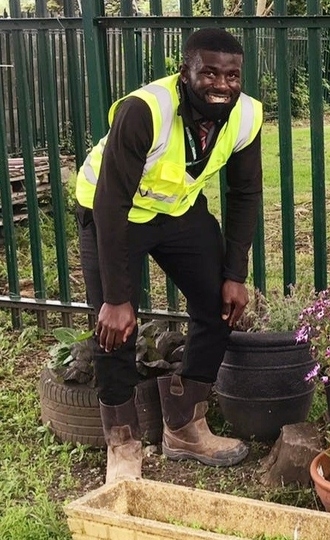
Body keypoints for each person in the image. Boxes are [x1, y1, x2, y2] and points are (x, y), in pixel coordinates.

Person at [75, 28, 263, 483]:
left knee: (220, 302)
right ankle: (122, 445)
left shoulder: (245, 115)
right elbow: (111, 200)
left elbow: (244, 193)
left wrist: (235, 273)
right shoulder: (146, 109)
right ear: (186, 72)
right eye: (210, 73)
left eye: (232, 75)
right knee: (113, 328)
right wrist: (118, 297)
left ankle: (185, 426)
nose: (222, 84)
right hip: (113, 212)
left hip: (177, 211)